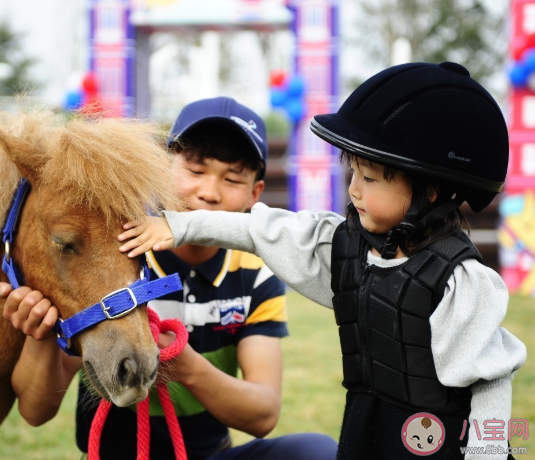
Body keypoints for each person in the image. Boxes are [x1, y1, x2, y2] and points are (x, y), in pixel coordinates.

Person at [117, 63, 527, 459]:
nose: (354, 191)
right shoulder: (344, 249)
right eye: (352, 174)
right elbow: (262, 231)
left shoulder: (461, 283)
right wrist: (179, 227)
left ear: (430, 190)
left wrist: (486, 453)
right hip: (366, 425)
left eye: (369, 178)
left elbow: (490, 382)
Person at [0, 97, 339, 460]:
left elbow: (263, 413)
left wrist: (188, 368)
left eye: (232, 178)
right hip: (115, 454)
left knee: (315, 452)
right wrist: (42, 335)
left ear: (255, 193)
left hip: (210, 454)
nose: (209, 192)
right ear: (161, 167)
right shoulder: (112, 253)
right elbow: (35, 413)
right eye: (195, 170)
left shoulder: (255, 273)